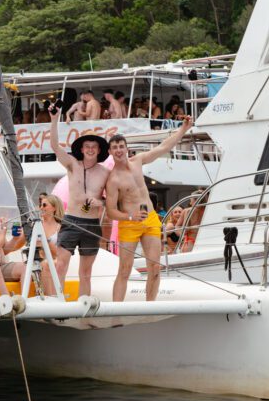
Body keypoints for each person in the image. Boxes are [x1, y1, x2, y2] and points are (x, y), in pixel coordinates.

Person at [105, 116, 193, 302]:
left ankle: (149, 305)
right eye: (115, 147)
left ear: (127, 148)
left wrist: (183, 129)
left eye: (122, 146)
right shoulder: (113, 180)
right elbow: (111, 211)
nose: (119, 150)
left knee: (155, 268)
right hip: (129, 224)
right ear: (110, 151)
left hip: (151, 219)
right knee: (124, 270)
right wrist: (130, 216)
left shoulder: (138, 161)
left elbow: (163, 147)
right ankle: (115, 312)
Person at [49, 107, 110, 297]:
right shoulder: (72, 165)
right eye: (87, 146)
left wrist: (99, 202)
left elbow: (112, 201)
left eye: (94, 146)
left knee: (86, 273)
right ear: (82, 149)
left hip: (92, 224)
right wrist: (54, 119)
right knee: (61, 265)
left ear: (99, 150)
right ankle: (58, 301)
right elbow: (54, 147)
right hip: (71, 220)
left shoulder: (105, 172)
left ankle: (83, 304)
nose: (90, 149)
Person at [38, 194, 64, 295]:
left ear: (54, 208)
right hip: (38, 260)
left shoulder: (60, 227)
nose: (41, 208)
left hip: (55, 259)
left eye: (44, 205)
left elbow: (59, 252)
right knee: (47, 264)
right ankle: (51, 299)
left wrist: (45, 241)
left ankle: (53, 298)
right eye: (40, 205)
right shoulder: (36, 224)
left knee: (52, 263)